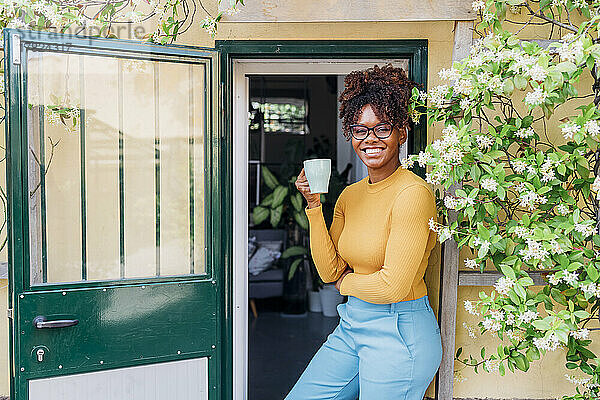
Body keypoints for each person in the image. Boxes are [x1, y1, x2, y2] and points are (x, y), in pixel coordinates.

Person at [285, 64, 443, 400]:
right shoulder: (350, 195)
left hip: (399, 332)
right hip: (352, 324)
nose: (369, 140)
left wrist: (345, 283)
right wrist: (314, 207)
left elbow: (393, 285)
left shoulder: (413, 193)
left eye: (381, 129)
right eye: (360, 130)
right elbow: (329, 271)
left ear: (401, 131)